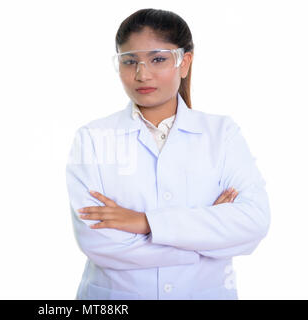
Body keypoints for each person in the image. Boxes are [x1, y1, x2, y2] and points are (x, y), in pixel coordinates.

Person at [65, 8, 270, 300]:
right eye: (129, 61)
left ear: (184, 62)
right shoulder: (94, 138)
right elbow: (98, 241)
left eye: (157, 59)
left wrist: (144, 222)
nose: (142, 73)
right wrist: (204, 239)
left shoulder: (222, 134)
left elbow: (253, 223)